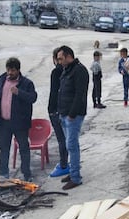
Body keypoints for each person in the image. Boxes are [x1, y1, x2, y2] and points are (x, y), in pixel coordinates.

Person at [0, 57, 37, 181]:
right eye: (8, 70)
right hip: (4, 122)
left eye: (13, 71)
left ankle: (26, 174)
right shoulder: (1, 79)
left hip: (20, 124)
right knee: (3, 148)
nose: (10, 73)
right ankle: (3, 173)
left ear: (18, 70)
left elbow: (33, 98)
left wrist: (19, 92)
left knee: (24, 149)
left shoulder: (26, 83)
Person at [56, 45, 89, 190]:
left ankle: (76, 177)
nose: (59, 62)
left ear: (69, 56)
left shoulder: (79, 71)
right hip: (64, 114)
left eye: (61, 58)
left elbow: (79, 95)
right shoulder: (67, 70)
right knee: (70, 146)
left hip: (73, 116)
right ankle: (72, 171)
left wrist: (71, 114)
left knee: (72, 145)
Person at [48, 47, 69, 177]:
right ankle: (66, 163)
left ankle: (63, 165)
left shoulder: (57, 72)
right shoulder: (68, 71)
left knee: (61, 139)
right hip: (63, 109)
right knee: (66, 138)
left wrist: (52, 110)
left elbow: (54, 92)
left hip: (55, 110)